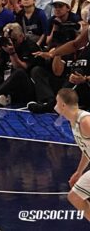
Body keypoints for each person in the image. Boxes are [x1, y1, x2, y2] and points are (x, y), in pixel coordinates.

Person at [55, 88, 90, 221]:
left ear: (63, 105)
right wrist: (79, 171)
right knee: (74, 197)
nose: (55, 105)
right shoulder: (73, 121)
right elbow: (86, 150)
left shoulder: (85, 121)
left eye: (57, 101)